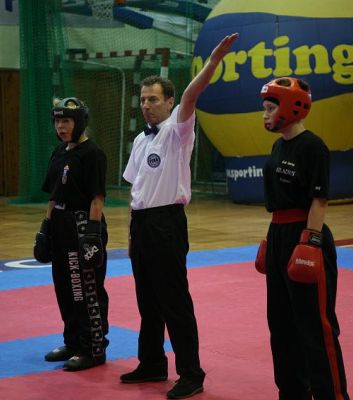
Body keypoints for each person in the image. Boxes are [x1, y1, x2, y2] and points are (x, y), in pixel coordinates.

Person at [120, 33, 239, 399]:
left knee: (174, 301)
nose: (147, 105)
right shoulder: (140, 140)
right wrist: (131, 233)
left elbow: (191, 95)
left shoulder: (177, 131)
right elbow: (137, 191)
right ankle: (152, 362)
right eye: (143, 99)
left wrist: (213, 62)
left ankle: (191, 373)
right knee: (147, 301)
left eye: (154, 99)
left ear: (169, 102)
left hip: (167, 224)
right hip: (142, 224)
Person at [260, 77, 351, 400]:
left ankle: (332, 396)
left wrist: (310, 242)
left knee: (315, 326)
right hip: (279, 234)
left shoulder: (313, 146)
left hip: (306, 234)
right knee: (281, 325)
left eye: (270, 108)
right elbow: (279, 201)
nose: (264, 115)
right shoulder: (278, 146)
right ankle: (293, 393)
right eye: (264, 108)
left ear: (290, 108)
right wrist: (270, 241)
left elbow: (319, 200)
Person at [33, 97, 109, 371]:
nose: (61, 126)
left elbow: (97, 198)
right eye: (57, 121)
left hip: (82, 225)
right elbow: (53, 195)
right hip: (60, 225)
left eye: (66, 121)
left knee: (84, 289)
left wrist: (92, 236)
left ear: (79, 122)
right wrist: (45, 227)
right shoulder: (58, 152)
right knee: (64, 287)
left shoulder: (93, 154)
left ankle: (92, 348)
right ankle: (73, 341)